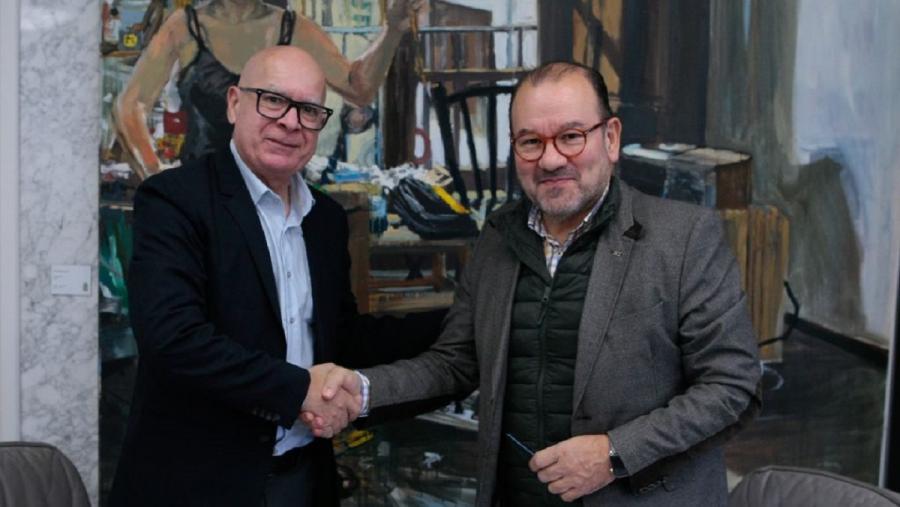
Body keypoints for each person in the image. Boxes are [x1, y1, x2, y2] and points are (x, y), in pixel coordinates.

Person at [310, 62, 763, 505]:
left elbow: (732, 388)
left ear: (610, 138)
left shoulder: (684, 238)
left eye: (571, 136)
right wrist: (361, 391)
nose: (550, 159)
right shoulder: (498, 236)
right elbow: (456, 363)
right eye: (531, 142)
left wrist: (613, 454)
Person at [108, 46, 442, 507]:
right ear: (234, 104)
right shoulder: (174, 200)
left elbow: (342, 339)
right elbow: (173, 339)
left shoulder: (325, 219)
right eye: (272, 100)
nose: (290, 122)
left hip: (300, 477)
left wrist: (464, 322)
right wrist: (299, 390)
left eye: (308, 110)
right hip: (197, 485)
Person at [114, 0, 423, 179]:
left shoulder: (293, 27)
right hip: (202, 195)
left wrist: (393, 28)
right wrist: (155, 175)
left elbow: (359, 89)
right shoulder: (184, 26)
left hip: (275, 198)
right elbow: (129, 106)